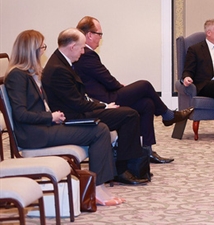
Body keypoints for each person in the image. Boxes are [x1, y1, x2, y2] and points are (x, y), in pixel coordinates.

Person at [3, 30, 124, 205]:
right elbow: (20, 114)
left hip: (44, 128)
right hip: (35, 135)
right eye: (41, 47)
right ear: (31, 50)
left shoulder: (28, 73)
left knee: (98, 126)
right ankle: (96, 189)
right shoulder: (17, 76)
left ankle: (99, 186)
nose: (43, 51)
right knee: (99, 131)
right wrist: (50, 117)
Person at [74, 16, 193, 164]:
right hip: (104, 100)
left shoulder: (86, 54)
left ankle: (147, 150)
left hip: (106, 94)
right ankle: (168, 115)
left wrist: (118, 86)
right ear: (89, 35)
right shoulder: (86, 54)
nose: (100, 38)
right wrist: (119, 86)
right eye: (99, 34)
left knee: (147, 103)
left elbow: (101, 78)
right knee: (144, 85)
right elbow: (106, 78)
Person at [42, 28, 149, 185]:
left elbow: (79, 98)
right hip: (74, 117)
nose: (83, 52)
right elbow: (77, 104)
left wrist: (103, 105)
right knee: (129, 115)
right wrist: (103, 107)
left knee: (129, 113)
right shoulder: (59, 69)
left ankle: (124, 167)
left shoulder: (61, 62)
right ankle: (122, 169)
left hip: (77, 111)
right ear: (72, 47)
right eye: (82, 47)